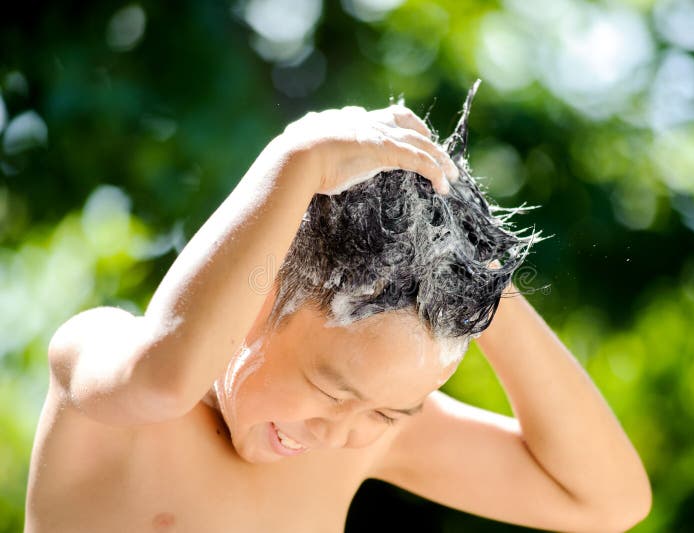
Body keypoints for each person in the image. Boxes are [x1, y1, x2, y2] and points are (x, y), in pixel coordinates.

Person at [25, 83, 651, 532]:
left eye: (385, 412)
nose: (341, 431)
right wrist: (300, 159)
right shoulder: (104, 373)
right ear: (263, 291)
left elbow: (606, 503)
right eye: (328, 389)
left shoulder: (360, 436)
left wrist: (470, 270)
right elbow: (167, 378)